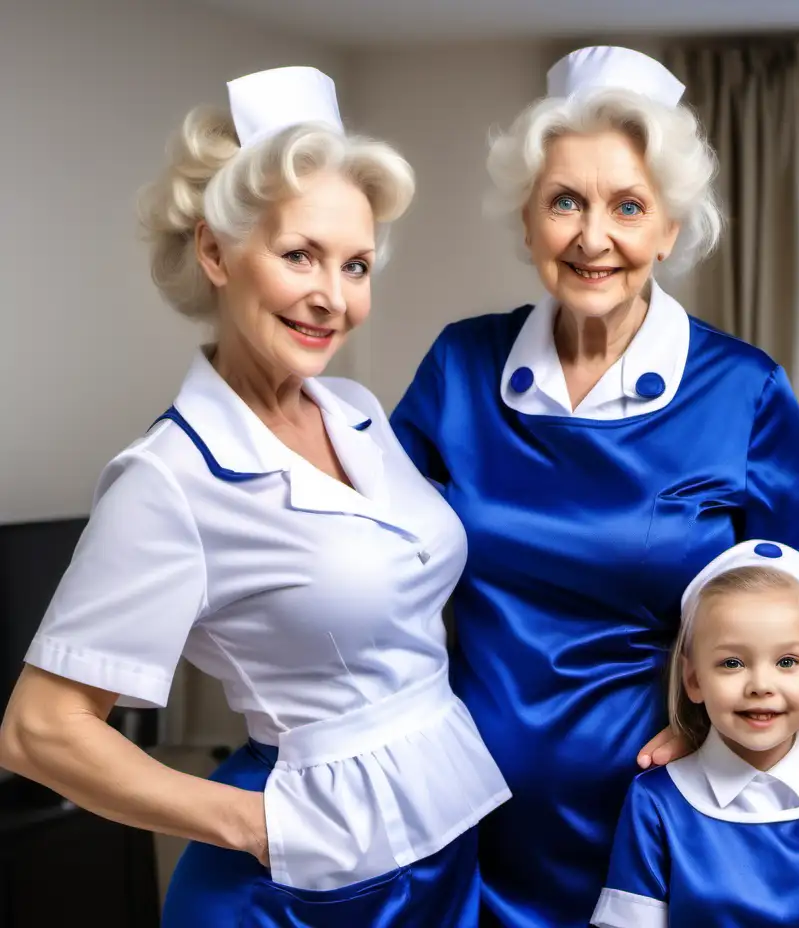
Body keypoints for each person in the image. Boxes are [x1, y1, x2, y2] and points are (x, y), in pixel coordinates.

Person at [0, 66, 509, 927]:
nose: (333, 298)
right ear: (214, 252)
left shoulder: (355, 411)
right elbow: (40, 730)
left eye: (356, 264)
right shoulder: (169, 478)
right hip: (307, 894)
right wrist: (254, 822)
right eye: (298, 255)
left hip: (441, 839)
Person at [391, 45, 799, 928]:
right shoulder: (460, 366)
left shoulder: (743, 389)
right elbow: (374, 563)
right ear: (528, 220)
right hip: (471, 812)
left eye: (628, 206)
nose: (592, 237)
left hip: (675, 810)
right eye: (565, 201)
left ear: (671, 228)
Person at [592, 540, 799, 928]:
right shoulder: (656, 800)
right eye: (732, 662)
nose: (761, 684)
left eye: (786, 661)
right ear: (694, 679)